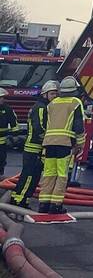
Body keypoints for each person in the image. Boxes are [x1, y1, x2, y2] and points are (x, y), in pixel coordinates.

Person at [37, 76, 85, 214]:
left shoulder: (52, 103)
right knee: (61, 174)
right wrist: (80, 143)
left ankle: (43, 204)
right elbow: (78, 126)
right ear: (75, 90)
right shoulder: (76, 102)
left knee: (49, 173)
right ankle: (56, 205)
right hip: (64, 143)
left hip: (49, 143)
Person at [9, 80, 58, 209]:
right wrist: (49, 142)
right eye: (52, 94)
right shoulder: (41, 108)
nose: (55, 97)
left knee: (33, 176)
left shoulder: (42, 106)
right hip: (34, 147)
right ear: (44, 94)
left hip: (35, 147)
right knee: (30, 176)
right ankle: (19, 200)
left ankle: (21, 199)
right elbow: (40, 128)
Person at [0, 88, 18, 177]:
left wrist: (15, 136)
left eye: (3, 97)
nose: (2, 99)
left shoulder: (7, 109)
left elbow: (13, 122)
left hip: (2, 141)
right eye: (0, 97)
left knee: (2, 159)